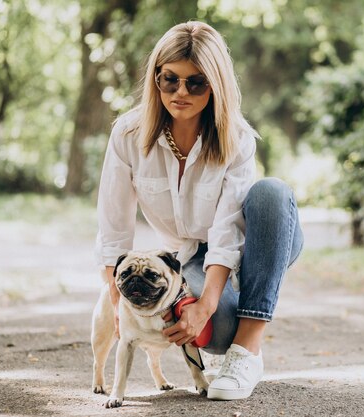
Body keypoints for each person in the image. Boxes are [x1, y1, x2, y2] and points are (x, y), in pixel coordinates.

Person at [95, 20, 303, 401]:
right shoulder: (127, 134)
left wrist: (205, 304)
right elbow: (114, 223)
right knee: (216, 333)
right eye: (169, 79)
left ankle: (248, 350)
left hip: (255, 239)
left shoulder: (237, 138)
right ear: (155, 78)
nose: (180, 92)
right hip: (191, 255)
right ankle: (234, 340)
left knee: (271, 193)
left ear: (216, 84)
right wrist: (115, 297)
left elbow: (227, 230)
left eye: (196, 82)